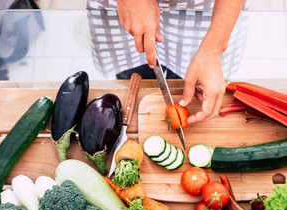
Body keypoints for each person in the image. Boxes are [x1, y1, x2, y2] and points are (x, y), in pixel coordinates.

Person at [87, 0, 246, 124]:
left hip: (213, 12)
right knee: (129, 73)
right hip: (128, 9)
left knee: (201, 81)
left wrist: (213, 49)